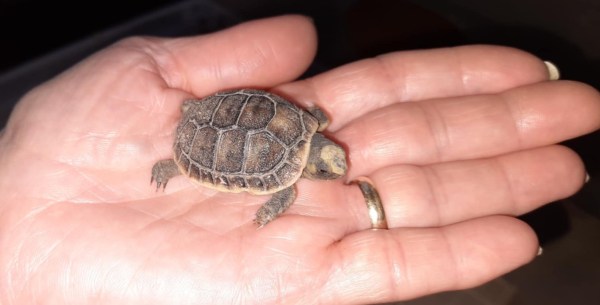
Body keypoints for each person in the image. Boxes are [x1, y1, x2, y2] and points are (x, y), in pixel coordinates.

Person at [0, 15, 598, 305]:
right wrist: (266, 204)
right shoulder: (293, 155)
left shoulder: (304, 122)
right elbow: (269, 160)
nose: (336, 161)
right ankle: (178, 164)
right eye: (330, 159)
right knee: (220, 148)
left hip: (221, 121)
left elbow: (256, 111)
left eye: (329, 159)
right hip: (198, 143)